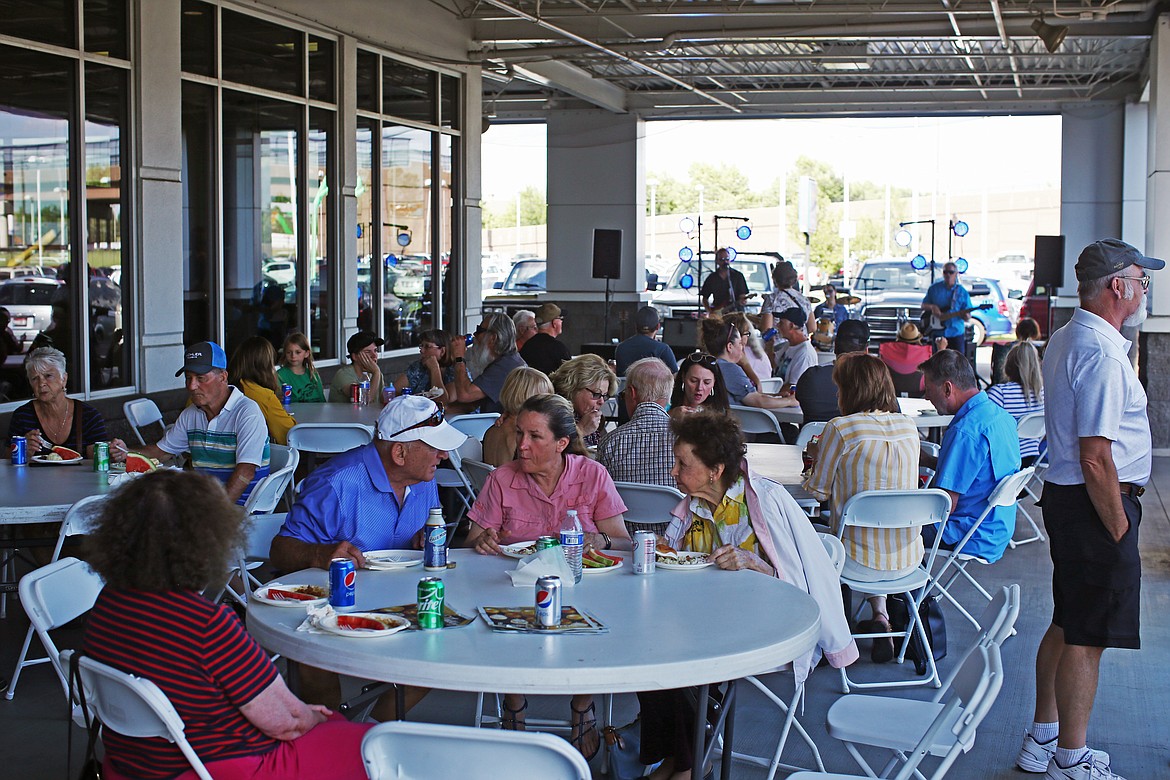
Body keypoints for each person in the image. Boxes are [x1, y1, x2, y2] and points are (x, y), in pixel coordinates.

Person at [82, 470, 371, 780]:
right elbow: (287, 723)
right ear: (206, 543)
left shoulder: (107, 602)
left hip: (133, 764)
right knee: (378, 742)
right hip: (217, 767)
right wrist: (315, 716)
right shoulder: (205, 624)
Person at [639, 412, 857, 778]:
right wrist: (666, 550)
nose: (673, 473)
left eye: (682, 464)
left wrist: (756, 563)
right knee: (645, 651)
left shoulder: (765, 502)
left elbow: (797, 591)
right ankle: (687, 759)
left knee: (665, 659)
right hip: (700, 620)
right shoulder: (692, 506)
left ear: (715, 469)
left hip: (757, 627)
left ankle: (687, 762)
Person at [1015, 239, 1161, 780]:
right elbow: (1097, 456)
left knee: (1069, 618)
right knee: (1088, 634)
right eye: (1142, 281)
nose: (1146, 290)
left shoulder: (1069, 337)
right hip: (1095, 503)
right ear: (1117, 286)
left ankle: (1042, 738)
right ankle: (1071, 759)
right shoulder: (1100, 352)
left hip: (1072, 499)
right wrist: (1121, 527)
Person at [270, 395, 465, 720]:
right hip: (338, 606)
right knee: (312, 661)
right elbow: (280, 549)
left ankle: (371, 730)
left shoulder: (422, 479)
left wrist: (421, 542)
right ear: (399, 452)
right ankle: (328, 736)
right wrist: (319, 553)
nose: (444, 456)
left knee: (443, 650)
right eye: (434, 447)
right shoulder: (337, 483)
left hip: (401, 601)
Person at [465, 394, 629, 759]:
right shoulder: (502, 479)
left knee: (604, 617)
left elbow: (623, 543)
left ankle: (583, 706)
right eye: (520, 433)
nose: (521, 445)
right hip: (513, 589)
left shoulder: (592, 475)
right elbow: (473, 540)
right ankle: (514, 703)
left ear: (562, 443)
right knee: (497, 619)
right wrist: (485, 541)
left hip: (584, 591)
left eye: (535, 437)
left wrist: (599, 538)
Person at [802, 353, 921, 662]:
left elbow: (817, 493)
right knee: (877, 527)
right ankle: (880, 615)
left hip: (854, 561)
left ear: (850, 390)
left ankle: (821, 638)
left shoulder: (841, 429)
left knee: (803, 535)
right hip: (908, 560)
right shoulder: (909, 427)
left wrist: (816, 456)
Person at [917, 349, 1021, 564]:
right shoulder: (1000, 417)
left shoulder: (965, 432)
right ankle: (912, 596)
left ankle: (912, 597)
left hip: (966, 532)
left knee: (889, 527)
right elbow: (976, 476)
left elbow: (944, 507)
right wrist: (928, 461)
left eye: (928, 389)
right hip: (996, 527)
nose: (926, 397)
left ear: (947, 388)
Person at [136, 341, 270, 505]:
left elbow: (246, 472)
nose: (192, 386)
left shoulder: (247, 412)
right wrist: (123, 453)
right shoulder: (191, 414)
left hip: (241, 507)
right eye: (188, 378)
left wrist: (217, 514)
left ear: (223, 377)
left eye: (200, 378)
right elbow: (162, 452)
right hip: (204, 502)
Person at [6, 346, 127, 460]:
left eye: (48, 376)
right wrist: (22, 451)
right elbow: (6, 460)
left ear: (64, 379)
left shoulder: (88, 415)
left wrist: (114, 452)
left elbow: (96, 454)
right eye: (35, 378)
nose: (41, 383)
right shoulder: (22, 416)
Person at [597, 357, 675, 487]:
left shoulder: (610, 442)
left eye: (624, 394)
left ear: (632, 393)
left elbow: (600, 492)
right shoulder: (686, 439)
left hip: (627, 508)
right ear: (668, 396)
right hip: (675, 507)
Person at [700, 317, 797, 410]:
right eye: (740, 344)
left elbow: (749, 395)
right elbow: (758, 401)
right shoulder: (730, 369)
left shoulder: (707, 364)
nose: (742, 347)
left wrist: (777, 396)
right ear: (730, 347)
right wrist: (789, 401)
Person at [445, 312, 526, 415]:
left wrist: (459, 358)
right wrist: (443, 409)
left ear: (493, 338)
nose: (475, 334)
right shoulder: (507, 361)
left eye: (479, 330)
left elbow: (465, 395)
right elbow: (473, 403)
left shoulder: (505, 367)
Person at [795, 319, 870, 423]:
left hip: (815, 438)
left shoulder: (811, 377)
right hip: (856, 438)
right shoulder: (876, 380)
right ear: (866, 350)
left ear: (835, 346)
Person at [482, 366, 554, 466]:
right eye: (544, 399)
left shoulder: (491, 431)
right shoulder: (522, 438)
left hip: (492, 481)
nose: (548, 405)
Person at [229, 336, 296, 446]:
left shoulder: (214, 391)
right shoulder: (264, 396)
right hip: (251, 458)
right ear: (266, 365)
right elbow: (290, 436)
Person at [988, 341, 1045, 464]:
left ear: (1007, 366)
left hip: (1003, 458)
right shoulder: (1043, 394)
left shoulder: (1000, 394)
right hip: (1030, 457)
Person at [550, 353, 618, 447]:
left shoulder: (590, 417)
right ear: (574, 387)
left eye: (605, 396)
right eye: (596, 394)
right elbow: (551, 450)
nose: (601, 401)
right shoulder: (554, 411)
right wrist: (581, 430)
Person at [392, 328, 467, 403]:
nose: (421, 350)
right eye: (421, 346)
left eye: (427, 346)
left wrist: (434, 369)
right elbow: (391, 393)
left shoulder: (455, 368)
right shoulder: (418, 367)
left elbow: (442, 401)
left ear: (442, 351)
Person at [921, 262, 973, 354]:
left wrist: (966, 316)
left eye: (951, 272)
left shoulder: (962, 292)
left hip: (956, 333)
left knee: (957, 363)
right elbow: (923, 305)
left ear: (956, 274)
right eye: (945, 272)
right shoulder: (934, 289)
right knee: (938, 361)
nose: (948, 275)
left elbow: (968, 315)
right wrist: (933, 307)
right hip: (938, 333)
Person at [614, 306, 678, 376]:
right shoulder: (663, 349)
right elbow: (675, 376)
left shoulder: (621, 348)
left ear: (635, 326)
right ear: (658, 326)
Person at [878, 322, 936, 396]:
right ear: (918, 339)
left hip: (892, 391)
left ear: (899, 338)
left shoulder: (886, 349)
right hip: (919, 393)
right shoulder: (926, 352)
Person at [668, 352, 730, 420]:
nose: (699, 387)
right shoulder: (667, 402)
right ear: (683, 377)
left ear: (714, 382)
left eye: (707, 382)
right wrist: (671, 414)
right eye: (693, 381)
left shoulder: (720, 415)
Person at [329, 331, 385, 403]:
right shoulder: (343, 374)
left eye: (375, 350)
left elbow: (382, 401)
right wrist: (376, 372)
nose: (374, 355)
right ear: (355, 356)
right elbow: (365, 399)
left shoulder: (376, 374)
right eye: (368, 352)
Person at [761, 259, 813, 334]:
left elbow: (766, 329)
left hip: (779, 344)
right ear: (795, 280)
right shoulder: (804, 299)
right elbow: (812, 328)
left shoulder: (771, 299)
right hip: (801, 343)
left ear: (774, 280)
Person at [519, 303, 572, 375]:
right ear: (554, 323)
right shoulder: (559, 349)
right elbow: (569, 377)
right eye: (560, 318)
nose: (562, 321)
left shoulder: (527, 346)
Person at [772, 307, 818, 389]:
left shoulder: (805, 353)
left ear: (791, 326)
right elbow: (773, 363)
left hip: (788, 398)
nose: (778, 325)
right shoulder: (789, 345)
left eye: (781, 323)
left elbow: (794, 387)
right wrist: (769, 345)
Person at [723, 312, 770, 390]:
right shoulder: (761, 354)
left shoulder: (729, 357)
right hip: (766, 394)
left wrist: (745, 364)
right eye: (746, 334)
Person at [277, 332, 325, 403]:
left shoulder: (313, 374)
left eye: (298, 352)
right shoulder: (280, 376)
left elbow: (322, 400)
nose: (293, 356)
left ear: (306, 353)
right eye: (289, 352)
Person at [698, 248, 749, 315]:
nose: (725, 262)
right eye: (722, 260)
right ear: (717, 261)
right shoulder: (712, 278)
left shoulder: (738, 276)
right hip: (718, 312)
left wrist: (743, 301)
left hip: (736, 313)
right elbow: (704, 298)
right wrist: (710, 311)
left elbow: (742, 295)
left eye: (727, 259)